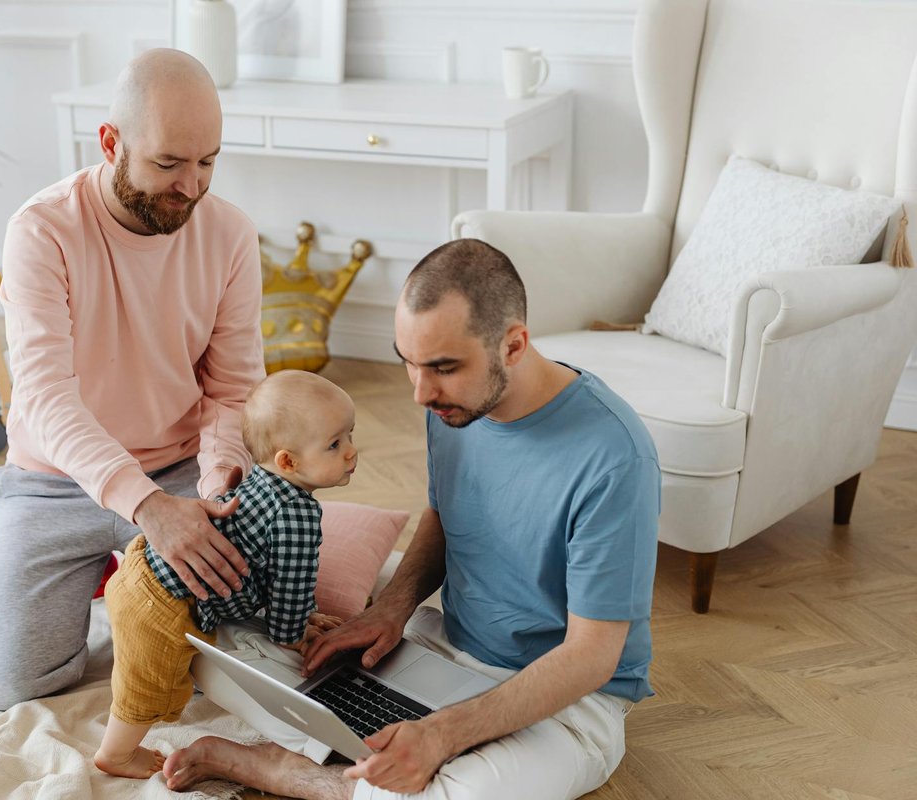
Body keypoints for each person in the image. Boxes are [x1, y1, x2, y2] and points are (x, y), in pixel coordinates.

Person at [161, 238, 661, 800]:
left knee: (461, 795)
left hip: (564, 699)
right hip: (440, 642)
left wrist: (443, 734)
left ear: (514, 345)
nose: (422, 392)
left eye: (444, 368)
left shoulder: (614, 456)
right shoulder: (452, 405)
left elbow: (593, 654)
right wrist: (393, 609)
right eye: (409, 364)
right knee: (201, 641)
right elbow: (447, 515)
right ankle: (352, 747)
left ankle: (280, 768)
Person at [0, 49, 267, 711]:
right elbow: (44, 397)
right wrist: (147, 512)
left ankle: (130, 580)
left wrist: (217, 479)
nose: (191, 185)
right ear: (111, 143)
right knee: (6, 681)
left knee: (257, 649)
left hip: (180, 471)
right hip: (56, 483)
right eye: (168, 164)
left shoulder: (232, 236)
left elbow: (233, 390)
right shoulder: (42, 231)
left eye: (208, 162)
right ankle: (116, 574)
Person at [94, 369, 356, 777]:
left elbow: (268, 566)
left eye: (350, 436)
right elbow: (291, 586)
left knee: (141, 664)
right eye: (335, 444)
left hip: (140, 563)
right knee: (146, 684)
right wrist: (294, 632)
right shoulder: (299, 515)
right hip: (163, 604)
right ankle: (116, 754)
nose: (351, 453)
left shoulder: (261, 478)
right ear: (288, 460)